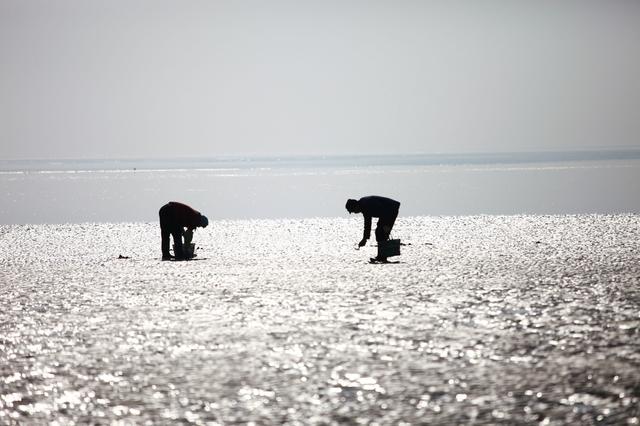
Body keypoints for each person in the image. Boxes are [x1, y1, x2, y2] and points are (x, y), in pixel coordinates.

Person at [346, 195, 401, 262]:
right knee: (380, 232)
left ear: (355, 206)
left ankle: (382, 257)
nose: (354, 213)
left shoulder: (365, 206)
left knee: (380, 232)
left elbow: (368, 223)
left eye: (353, 211)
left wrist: (386, 226)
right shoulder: (363, 204)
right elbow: (368, 224)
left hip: (391, 209)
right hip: (388, 210)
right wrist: (365, 238)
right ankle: (382, 256)